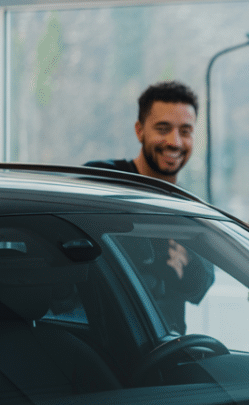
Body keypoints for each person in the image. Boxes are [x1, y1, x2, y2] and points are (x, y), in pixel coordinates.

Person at [85, 80, 214, 334]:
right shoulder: (102, 180)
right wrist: (171, 262)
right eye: (163, 129)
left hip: (166, 348)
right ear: (139, 130)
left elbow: (200, 283)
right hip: (102, 348)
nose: (175, 142)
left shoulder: (187, 205)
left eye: (185, 131)